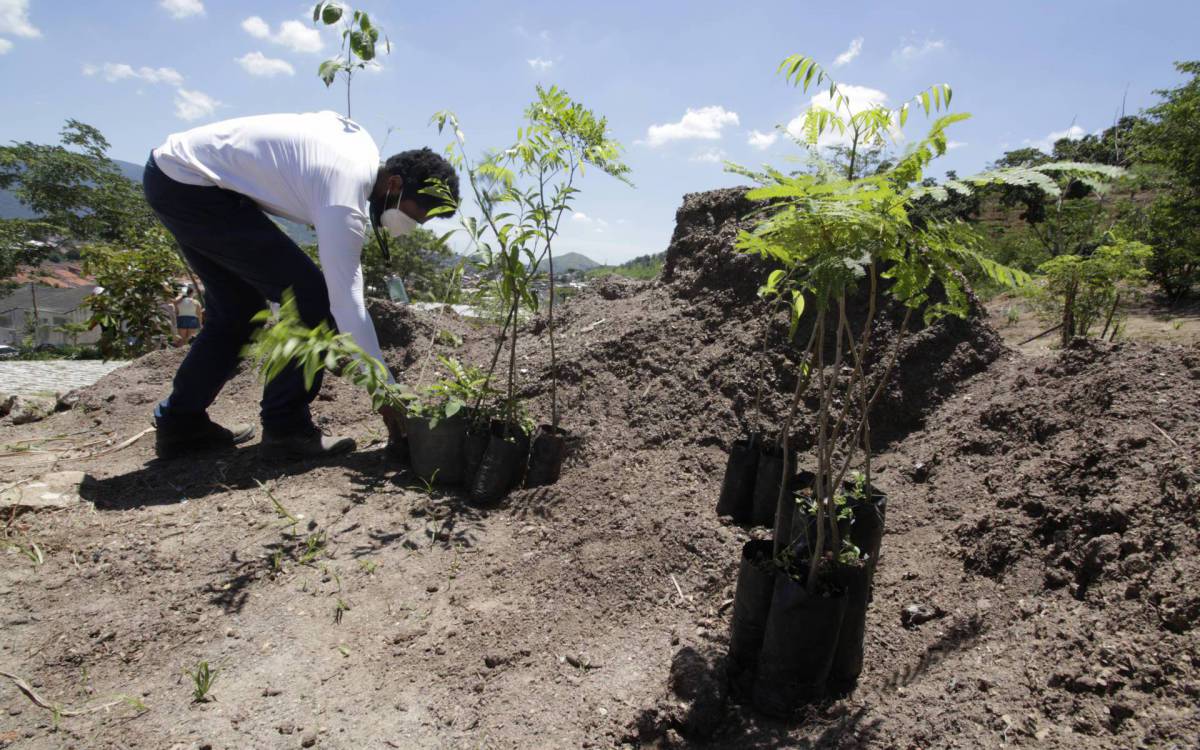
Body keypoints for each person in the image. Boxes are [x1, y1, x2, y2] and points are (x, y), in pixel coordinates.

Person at [142, 111, 459, 461]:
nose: (412, 226)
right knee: (311, 301)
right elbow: (346, 304)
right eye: (417, 216)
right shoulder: (345, 196)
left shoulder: (360, 152)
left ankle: (181, 424)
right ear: (396, 185)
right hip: (193, 184)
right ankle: (285, 429)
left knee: (237, 309)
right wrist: (384, 391)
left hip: (176, 176)